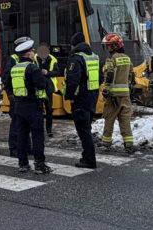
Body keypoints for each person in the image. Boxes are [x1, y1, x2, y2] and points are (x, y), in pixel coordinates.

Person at [2, 38, 52, 174]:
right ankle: (40, 165)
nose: (34, 52)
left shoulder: (14, 69)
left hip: (18, 106)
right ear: (28, 53)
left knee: (22, 135)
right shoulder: (32, 68)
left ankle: (23, 164)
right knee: (37, 135)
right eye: (32, 50)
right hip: (33, 106)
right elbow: (41, 84)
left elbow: (9, 85)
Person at [62, 31, 101, 169]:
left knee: (83, 131)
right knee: (87, 128)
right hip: (92, 97)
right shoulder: (94, 57)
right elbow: (100, 78)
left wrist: (70, 96)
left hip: (80, 99)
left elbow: (72, 81)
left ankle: (89, 159)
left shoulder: (76, 58)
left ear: (74, 45)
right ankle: (86, 156)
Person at [100, 32, 134, 153]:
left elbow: (109, 76)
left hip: (113, 97)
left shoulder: (111, 59)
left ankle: (106, 143)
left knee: (109, 119)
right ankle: (129, 144)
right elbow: (132, 76)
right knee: (125, 120)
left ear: (115, 46)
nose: (107, 48)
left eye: (108, 45)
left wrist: (106, 90)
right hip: (125, 96)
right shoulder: (128, 59)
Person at [3, 35, 31, 157]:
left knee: (26, 123)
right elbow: (6, 78)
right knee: (16, 123)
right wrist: (10, 93)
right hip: (16, 97)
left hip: (26, 97)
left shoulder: (29, 58)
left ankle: (27, 147)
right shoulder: (12, 59)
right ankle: (14, 148)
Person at [35, 41, 58, 137]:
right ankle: (38, 129)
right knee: (38, 110)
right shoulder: (34, 58)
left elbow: (57, 72)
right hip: (38, 88)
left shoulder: (53, 59)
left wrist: (47, 72)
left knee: (49, 110)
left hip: (48, 87)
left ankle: (49, 130)